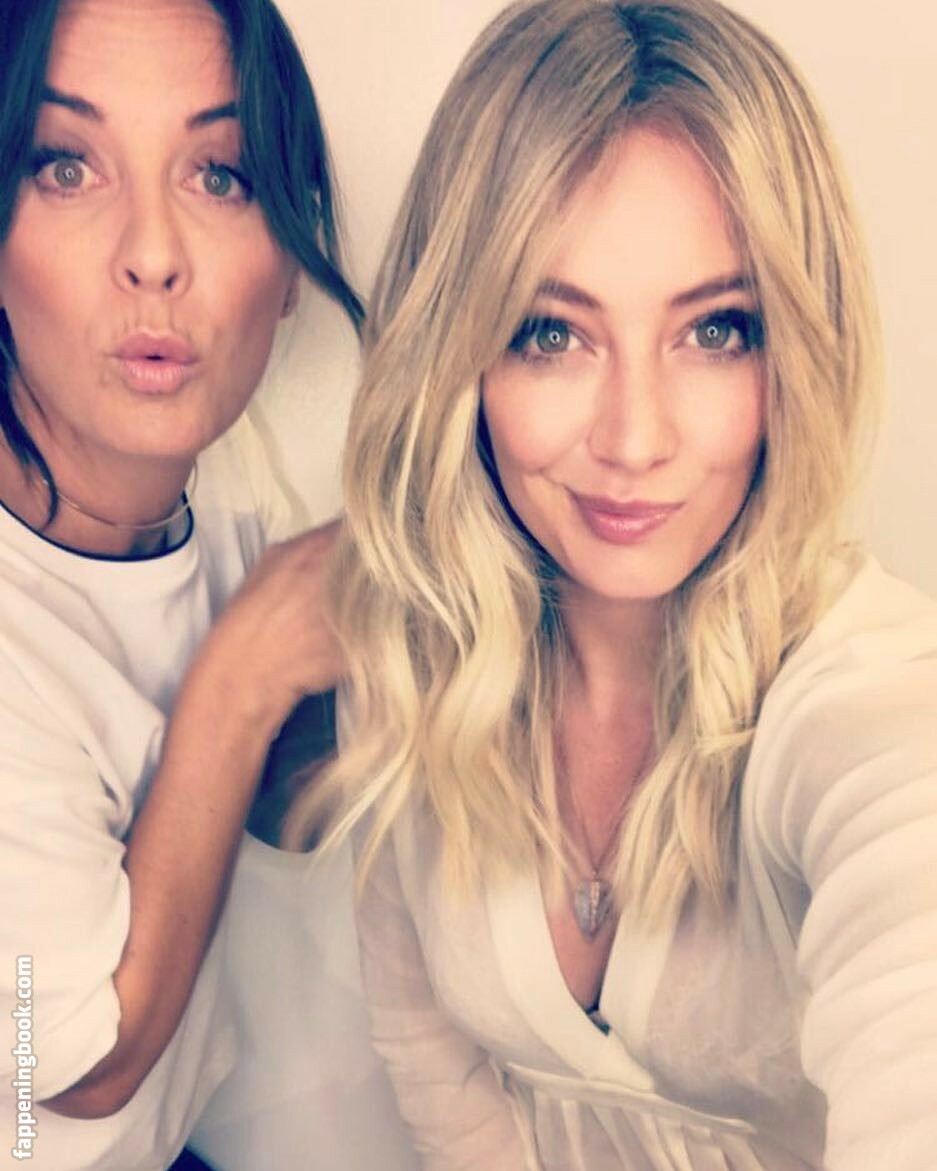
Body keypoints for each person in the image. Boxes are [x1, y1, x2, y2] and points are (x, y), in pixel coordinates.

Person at [287, 1, 937, 1168]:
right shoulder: (414, 656)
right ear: (459, 356)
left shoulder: (877, 719)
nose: (634, 440)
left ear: (796, 346)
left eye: (715, 330)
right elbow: (432, 1064)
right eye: (551, 332)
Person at [0, 2, 416, 1169]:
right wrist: (242, 677)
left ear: (288, 264)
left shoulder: (219, 503)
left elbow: (267, 808)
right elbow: (59, 1063)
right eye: (67, 165)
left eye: (219, 175)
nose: (153, 252)